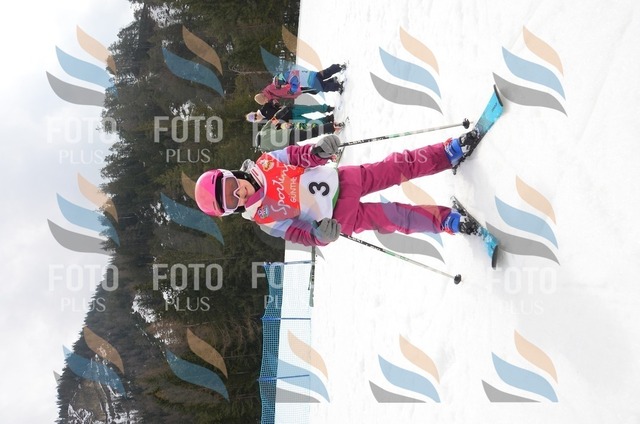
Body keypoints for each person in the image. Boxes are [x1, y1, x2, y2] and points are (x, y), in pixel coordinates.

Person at [194, 129, 485, 246]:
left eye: (231, 185)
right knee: (398, 217)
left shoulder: (268, 162)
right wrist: (320, 236)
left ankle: (447, 153)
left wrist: (318, 151)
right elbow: (300, 234)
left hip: (345, 180)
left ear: (232, 174)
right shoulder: (265, 219)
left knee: (399, 165)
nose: (238, 193)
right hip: (342, 218)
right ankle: (446, 221)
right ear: (233, 210)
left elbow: (299, 156)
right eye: (231, 200)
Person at [256, 63, 346, 103]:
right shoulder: (272, 89)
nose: (266, 101)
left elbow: (292, 83)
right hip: (309, 76)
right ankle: (338, 67)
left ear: (264, 98)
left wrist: (292, 90)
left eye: (265, 101)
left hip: (307, 80)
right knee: (324, 74)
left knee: (323, 87)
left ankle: (337, 87)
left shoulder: (274, 87)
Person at [253, 115, 344, 152]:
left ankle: (329, 152)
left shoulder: (263, 149)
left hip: (289, 146)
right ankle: (332, 126)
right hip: (291, 133)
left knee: (308, 151)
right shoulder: (263, 131)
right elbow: (273, 120)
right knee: (313, 132)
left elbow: (273, 155)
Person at [246, 99, 335, 125]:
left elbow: (272, 101)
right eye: (254, 119)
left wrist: (278, 105)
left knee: (310, 108)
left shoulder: (265, 107)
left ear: (254, 112)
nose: (256, 117)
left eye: (255, 115)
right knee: (309, 122)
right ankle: (327, 119)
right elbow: (277, 126)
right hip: (291, 120)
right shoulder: (265, 123)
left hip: (291, 109)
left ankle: (326, 108)